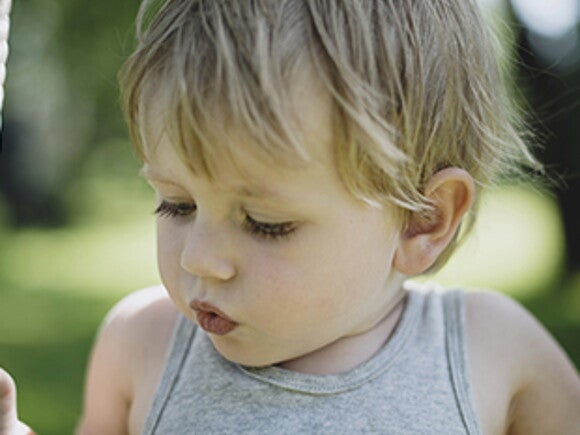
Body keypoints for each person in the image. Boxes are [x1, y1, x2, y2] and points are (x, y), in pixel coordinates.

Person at [2, 0, 579, 433]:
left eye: (264, 222)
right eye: (177, 203)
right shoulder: (141, 343)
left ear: (422, 219)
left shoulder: (490, 349)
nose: (196, 257)